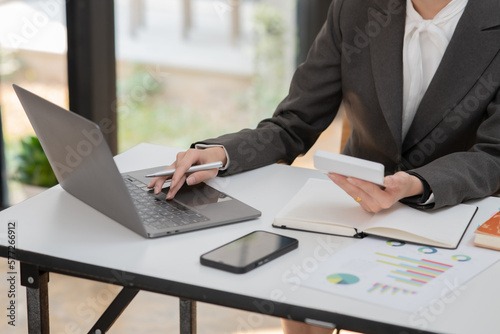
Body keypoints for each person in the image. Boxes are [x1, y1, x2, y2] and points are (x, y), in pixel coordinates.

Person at [149, 0, 500, 332]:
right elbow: (295, 122)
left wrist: (418, 183)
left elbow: (494, 154)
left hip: (456, 215)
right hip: (353, 208)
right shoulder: (355, 9)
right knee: (295, 295)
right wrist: (222, 154)